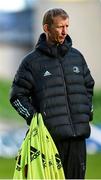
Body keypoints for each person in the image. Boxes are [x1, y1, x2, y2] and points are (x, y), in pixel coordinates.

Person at [10, 8, 95, 179]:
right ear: (46, 28)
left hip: (78, 138)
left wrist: (87, 112)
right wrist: (35, 119)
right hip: (50, 141)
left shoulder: (77, 57)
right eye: (59, 27)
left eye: (67, 26)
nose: (64, 32)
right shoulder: (31, 62)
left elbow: (88, 86)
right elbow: (17, 96)